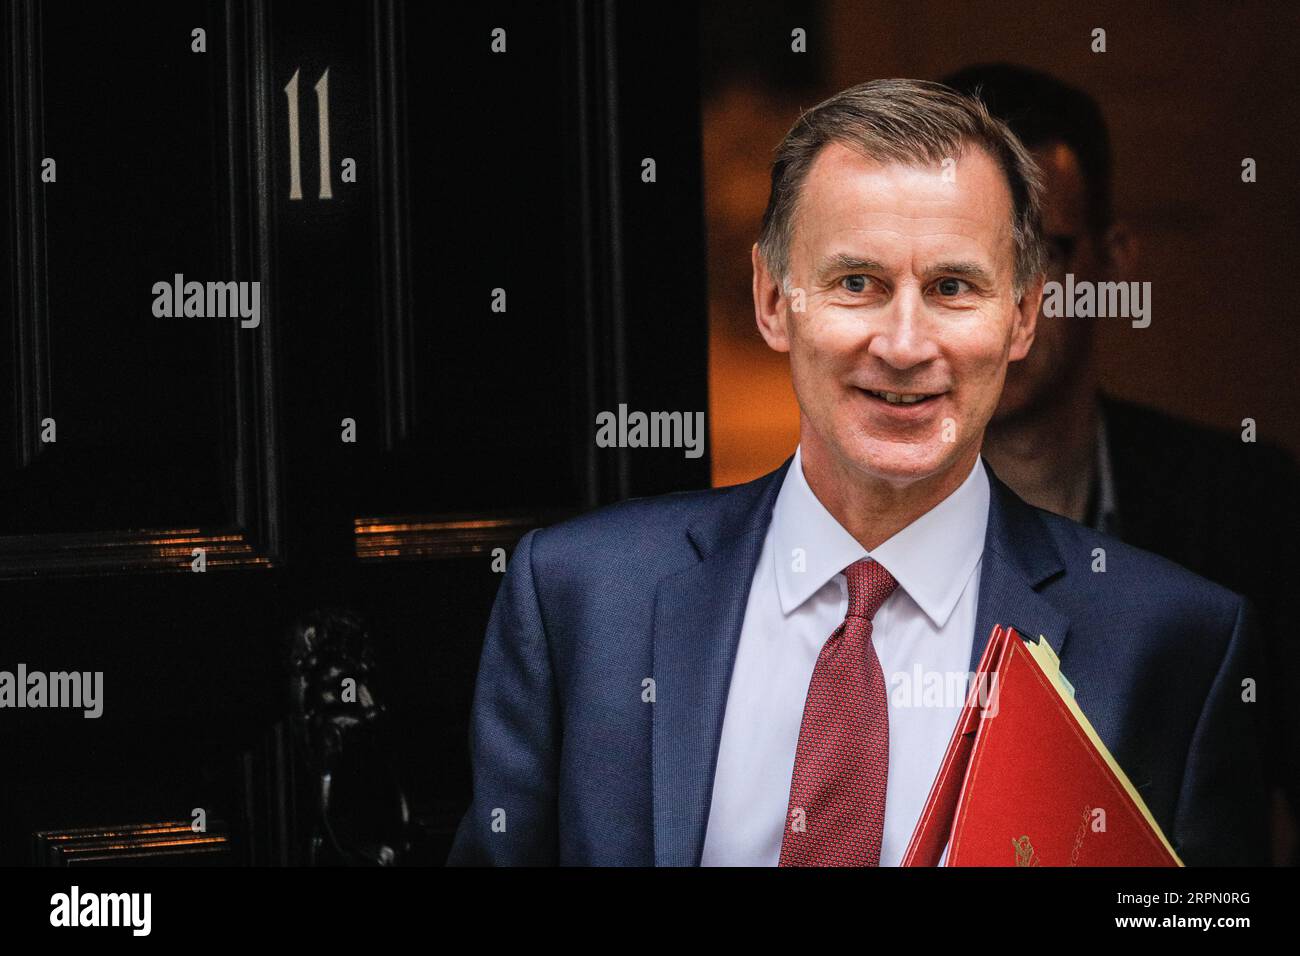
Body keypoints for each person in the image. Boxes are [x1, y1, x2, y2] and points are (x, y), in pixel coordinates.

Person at [447, 79, 1267, 866]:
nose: (904, 345)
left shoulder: (1174, 643)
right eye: (856, 283)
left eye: (953, 287)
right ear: (773, 299)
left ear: (1021, 316)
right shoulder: (582, 598)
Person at [944, 63, 1299, 864]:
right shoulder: (861, 529)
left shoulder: (1249, 505)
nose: (1010, 302)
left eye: (1045, 253)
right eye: (964, 264)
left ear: (1114, 260)